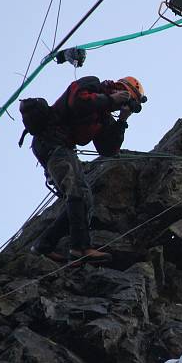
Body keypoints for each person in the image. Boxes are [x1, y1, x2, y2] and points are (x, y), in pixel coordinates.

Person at [28, 75, 146, 263]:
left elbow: (108, 149)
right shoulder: (92, 84)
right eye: (126, 98)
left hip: (61, 148)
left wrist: (122, 120)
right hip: (51, 142)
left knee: (83, 198)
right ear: (119, 88)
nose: (121, 104)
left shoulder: (103, 116)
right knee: (76, 192)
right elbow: (77, 102)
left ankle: (44, 245)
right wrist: (110, 99)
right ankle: (80, 248)